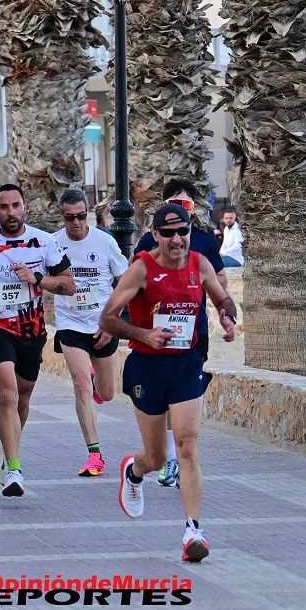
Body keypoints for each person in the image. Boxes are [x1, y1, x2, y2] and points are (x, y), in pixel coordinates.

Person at [100, 203, 238, 562]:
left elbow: (223, 297)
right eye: (169, 233)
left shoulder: (199, 264)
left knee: (188, 446)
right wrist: (144, 334)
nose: (178, 240)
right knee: (158, 457)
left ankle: (194, 529)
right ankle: (134, 471)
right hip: (148, 367)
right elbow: (109, 319)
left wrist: (227, 317)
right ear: (156, 235)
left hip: (185, 364)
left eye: (183, 232)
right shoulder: (141, 269)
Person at [0, 184, 76, 497]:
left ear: (24, 207)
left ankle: (9, 450)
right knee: (8, 394)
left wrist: (37, 278)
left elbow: (69, 285)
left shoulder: (44, 242)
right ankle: (14, 470)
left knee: (23, 398)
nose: (10, 212)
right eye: (4, 207)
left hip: (32, 331)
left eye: (15, 206)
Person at [134, 178, 226, 488]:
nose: (179, 214)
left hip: (194, 333)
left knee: (183, 397)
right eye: (173, 205)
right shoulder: (149, 241)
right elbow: (132, 284)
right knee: (162, 402)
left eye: (185, 206)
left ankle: (176, 459)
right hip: (155, 339)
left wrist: (221, 309)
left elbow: (220, 280)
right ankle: (163, 455)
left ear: (193, 210)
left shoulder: (202, 240)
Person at [51, 188, 128, 477]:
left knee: (106, 393)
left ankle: (98, 384)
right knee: (81, 385)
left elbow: (124, 284)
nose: (76, 223)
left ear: (88, 214)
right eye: (70, 217)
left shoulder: (105, 242)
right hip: (70, 322)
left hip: (102, 322)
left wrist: (111, 321)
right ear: (62, 216)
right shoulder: (54, 244)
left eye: (81, 216)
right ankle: (94, 454)